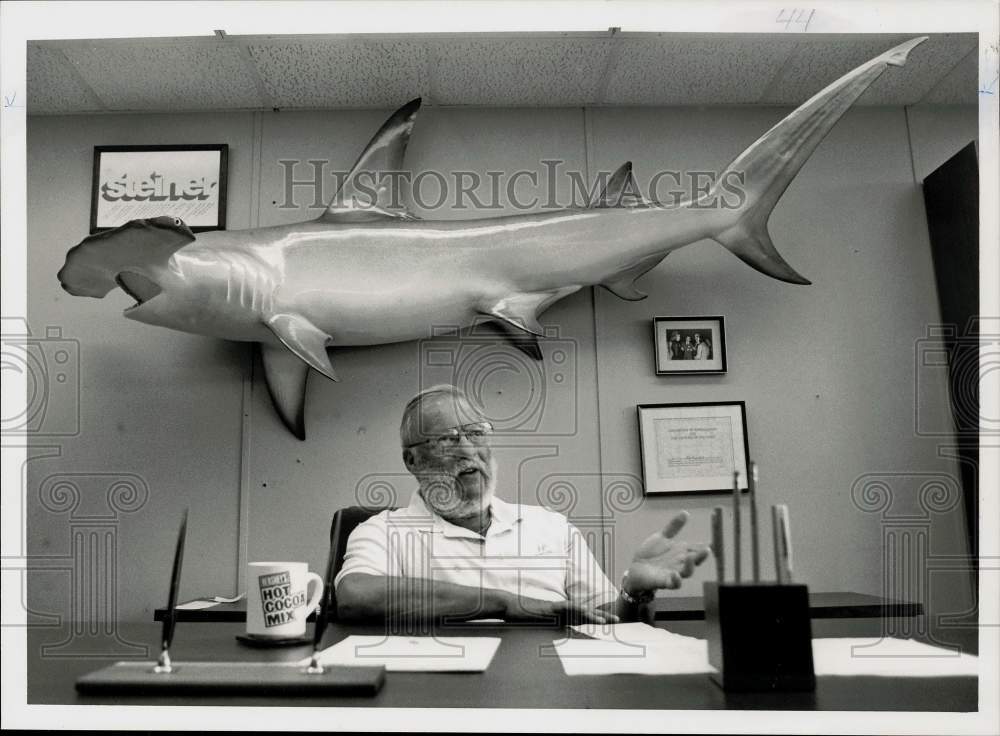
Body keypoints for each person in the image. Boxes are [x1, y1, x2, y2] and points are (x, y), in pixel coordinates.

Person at [335, 385, 709, 624]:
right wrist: (507, 604)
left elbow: (605, 618)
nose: (469, 450)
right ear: (412, 462)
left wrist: (635, 592)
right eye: (447, 439)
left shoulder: (549, 526)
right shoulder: (383, 531)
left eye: (476, 432)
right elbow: (355, 596)